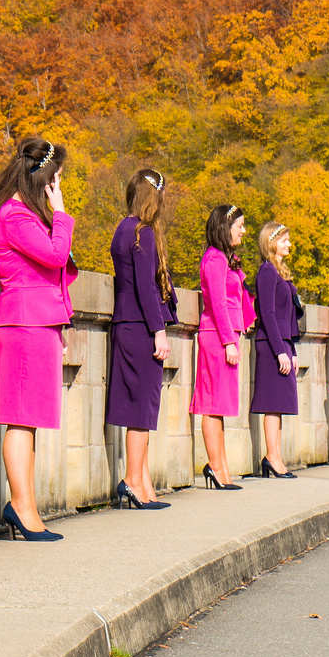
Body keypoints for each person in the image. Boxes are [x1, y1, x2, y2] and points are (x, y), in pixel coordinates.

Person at [0, 137, 77, 541]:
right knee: (21, 419)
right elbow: (56, 257)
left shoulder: (26, 216)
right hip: (23, 322)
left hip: (40, 322)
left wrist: (64, 323)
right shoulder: (15, 216)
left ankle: (25, 505)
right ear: (42, 178)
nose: (59, 187)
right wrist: (62, 215)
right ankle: (22, 508)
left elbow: (55, 274)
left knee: (31, 420)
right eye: (56, 179)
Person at [106, 169, 178, 509]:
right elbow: (147, 287)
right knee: (141, 410)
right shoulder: (143, 233)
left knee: (140, 408)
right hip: (141, 326)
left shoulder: (123, 228)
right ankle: (133, 481)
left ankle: (142, 480)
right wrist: (159, 330)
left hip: (126, 324)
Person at [191, 204, 253, 489]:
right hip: (217, 335)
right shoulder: (215, 259)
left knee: (219, 405)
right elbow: (216, 302)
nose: (243, 230)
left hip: (224, 334)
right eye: (239, 226)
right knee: (212, 403)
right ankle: (216, 468)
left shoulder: (225, 258)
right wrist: (229, 341)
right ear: (224, 227)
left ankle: (222, 468)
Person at [250, 222, 302, 477]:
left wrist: (292, 349)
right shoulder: (267, 272)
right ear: (270, 242)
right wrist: (280, 350)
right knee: (272, 404)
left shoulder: (280, 272)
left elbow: (288, 316)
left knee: (280, 404)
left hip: (282, 343)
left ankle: (275, 456)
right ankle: (272, 457)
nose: (289, 244)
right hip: (271, 345)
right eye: (284, 240)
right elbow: (267, 314)